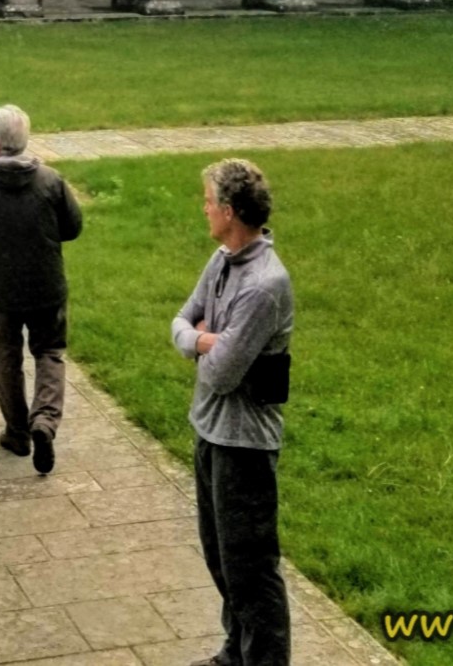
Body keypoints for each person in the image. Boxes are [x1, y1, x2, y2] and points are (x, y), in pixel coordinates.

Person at [172, 159, 295, 666]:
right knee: (221, 559)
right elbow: (180, 322)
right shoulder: (222, 259)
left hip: (244, 442)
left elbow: (221, 376)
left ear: (228, 211)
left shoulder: (265, 284)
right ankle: (235, 653)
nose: (203, 208)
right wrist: (203, 339)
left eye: (208, 202)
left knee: (251, 568)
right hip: (209, 427)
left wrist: (199, 348)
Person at [0, 103, 82, 474]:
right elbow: (72, 227)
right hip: (47, 286)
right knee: (50, 353)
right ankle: (44, 421)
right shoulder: (50, 180)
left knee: (6, 358)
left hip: (2, 291)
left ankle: (17, 431)